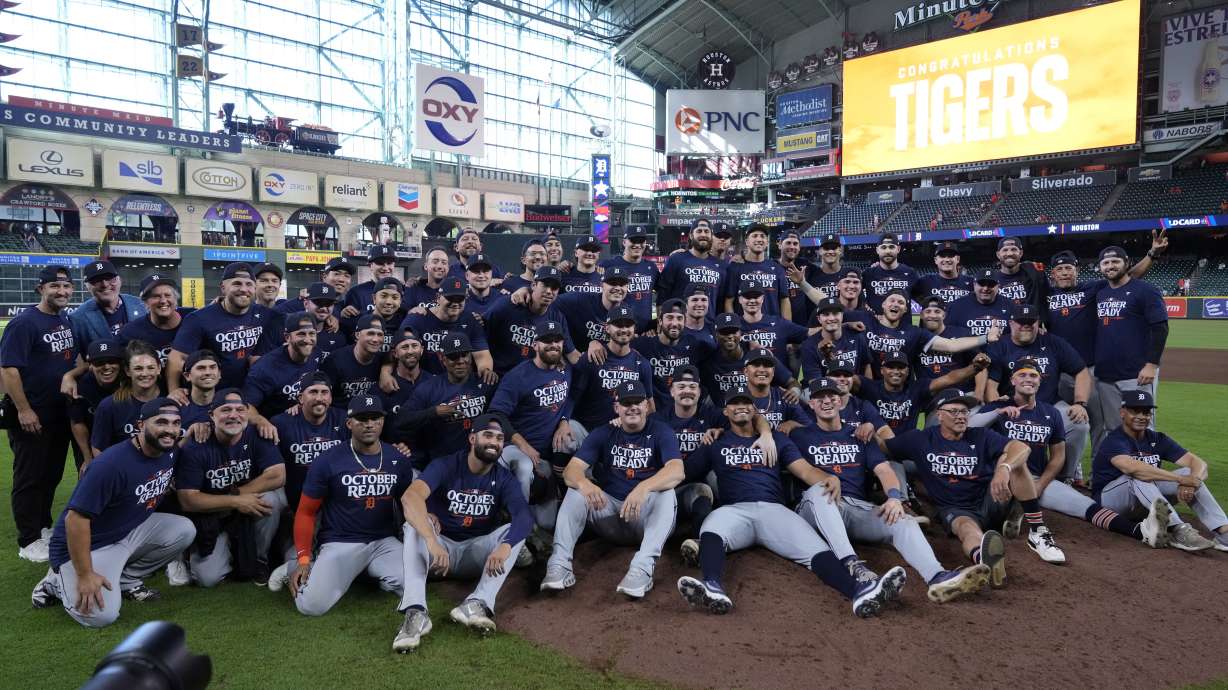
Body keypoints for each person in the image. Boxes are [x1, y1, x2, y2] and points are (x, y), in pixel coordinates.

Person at [676, 386, 907, 618]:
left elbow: (805, 471)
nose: (741, 407)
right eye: (734, 404)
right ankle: (712, 587)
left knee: (816, 549)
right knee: (711, 529)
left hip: (774, 510)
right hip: (735, 511)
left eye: (746, 402)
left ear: (754, 409)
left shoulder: (776, 439)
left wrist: (827, 477)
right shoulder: (716, 442)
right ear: (725, 412)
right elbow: (684, 473)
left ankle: (859, 591)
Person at [791, 377, 990, 603]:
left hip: (854, 507)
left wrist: (894, 498)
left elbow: (885, 470)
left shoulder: (859, 436)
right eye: (819, 398)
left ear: (840, 401)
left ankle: (937, 576)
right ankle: (852, 565)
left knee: (903, 521)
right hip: (814, 509)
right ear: (811, 405)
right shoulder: (799, 435)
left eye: (831, 396)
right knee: (820, 491)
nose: (826, 401)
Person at [29, 399, 196, 627]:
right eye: (161, 422)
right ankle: (55, 582)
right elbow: (75, 520)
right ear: (140, 425)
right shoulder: (111, 464)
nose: (170, 429)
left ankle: (126, 580)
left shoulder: (168, 450)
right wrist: (86, 574)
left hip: (125, 532)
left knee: (184, 530)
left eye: (176, 423)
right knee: (100, 616)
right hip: (87, 545)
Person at [880, 388, 1067, 589]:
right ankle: (986, 562)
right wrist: (866, 427)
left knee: (1012, 459)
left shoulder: (980, 435)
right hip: (956, 509)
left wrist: (1003, 469)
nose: (961, 417)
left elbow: (1022, 447)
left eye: (964, 412)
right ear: (939, 415)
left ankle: (1037, 529)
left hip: (993, 498)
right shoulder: (920, 439)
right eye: (954, 411)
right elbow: (884, 448)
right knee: (966, 530)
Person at [973, 360, 1171, 549]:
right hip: (1000, 479)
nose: (1028, 379)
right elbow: (969, 427)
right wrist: (997, 412)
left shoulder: (1050, 413)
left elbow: (1058, 456)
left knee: (1086, 506)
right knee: (986, 520)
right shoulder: (996, 408)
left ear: (1040, 380)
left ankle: (1141, 532)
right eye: (1021, 375)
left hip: (1034, 481)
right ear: (1013, 381)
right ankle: (1015, 507)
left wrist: (1040, 485)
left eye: (1033, 375)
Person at [394, 414, 532, 651]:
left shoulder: (503, 478)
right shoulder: (446, 465)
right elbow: (410, 497)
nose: (494, 442)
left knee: (512, 533)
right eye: (488, 435)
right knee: (414, 527)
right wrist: (431, 538)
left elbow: (524, 516)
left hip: (474, 552)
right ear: (472, 438)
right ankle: (416, 613)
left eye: (499, 438)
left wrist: (506, 546)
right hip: (439, 554)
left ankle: (477, 603)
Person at [542, 381, 683, 598]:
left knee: (667, 494)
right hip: (610, 515)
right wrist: (585, 484)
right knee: (576, 491)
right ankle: (559, 565)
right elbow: (572, 471)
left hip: (644, 518)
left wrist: (643, 487)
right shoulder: (604, 432)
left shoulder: (661, 431)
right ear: (617, 408)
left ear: (647, 406)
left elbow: (677, 471)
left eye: (637, 402)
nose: (632, 407)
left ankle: (642, 569)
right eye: (626, 403)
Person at [289, 396, 412, 616]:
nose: (369, 424)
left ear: (383, 422)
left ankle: (363, 572)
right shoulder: (328, 460)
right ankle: (295, 567)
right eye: (362, 419)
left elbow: (408, 505)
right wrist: (303, 559)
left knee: (412, 584)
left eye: (375, 418)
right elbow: (306, 512)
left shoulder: (397, 459)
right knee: (311, 606)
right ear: (349, 423)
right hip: (341, 542)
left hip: (383, 542)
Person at [1, 265, 77, 562]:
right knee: (29, 477)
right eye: (54, 287)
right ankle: (28, 538)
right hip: (32, 414)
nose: (61, 292)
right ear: (41, 289)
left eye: (66, 287)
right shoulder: (24, 323)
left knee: (51, 475)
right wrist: (23, 409)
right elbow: (8, 369)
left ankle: (43, 526)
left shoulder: (64, 319)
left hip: (58, 413)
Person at [175, 389, 287, 587]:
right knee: (207, 579)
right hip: (211, 514)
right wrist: (234, 501)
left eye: (239, 410)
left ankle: (260, 558)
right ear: (212, 415)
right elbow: (188, 500)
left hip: (242, 505)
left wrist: (239, 497)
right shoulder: (196, 445)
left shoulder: (258, 433)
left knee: (272, 500)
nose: (233, 415)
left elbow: (278, 475)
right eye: (226, 409)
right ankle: (208, 551)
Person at [1092, 390, 1228, 552]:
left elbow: (1198, 463)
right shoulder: (1114, 440)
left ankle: (1223, 532)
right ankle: (1177, 530)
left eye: (1146, 412)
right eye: (1135, 411)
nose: (1142, 416)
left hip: (1143, 501)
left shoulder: (1157, 439)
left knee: (1189, 472)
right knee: (1138, 476)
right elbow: (1132, 468)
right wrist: (1180, 480)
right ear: (1122, 413)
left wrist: (1192, 481)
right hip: (1110, 503)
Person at [489, 320, 587, 529]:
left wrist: (563, 421)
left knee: (548, 524)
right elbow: (496, 414)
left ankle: (578, 490)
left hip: (548, 451)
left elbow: (571, 397)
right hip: (517, 448)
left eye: (557, 340)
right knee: (524, 468)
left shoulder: (565, 369)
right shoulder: (517, 376)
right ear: (535, 345)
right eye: (546, 341)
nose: (553, 345)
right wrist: (522, 444)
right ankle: (518, 525)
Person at [985, 304, 1093, 481]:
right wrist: (998, 406)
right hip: (1013, 407)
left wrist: (1080, 403)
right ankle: (998, 476)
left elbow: (1081, 371)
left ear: (1038, 323)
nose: (1026, 325)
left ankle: (1064, 477)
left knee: (1079, 424)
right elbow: (991, 385)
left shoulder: (1053, 342)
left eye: (1031, 322)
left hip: (1050, 404)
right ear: (1011, 323)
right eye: (1021, 322)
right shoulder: (1000, 346)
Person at [265, 371, 350, 592]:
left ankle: (289, 568)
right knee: (266, 502)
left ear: (331, 397)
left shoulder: (345, 420)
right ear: (300, 398)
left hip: (328, 501)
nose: (319, 397)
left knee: (304, 551)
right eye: (313, 392)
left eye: (324, 392)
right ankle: (259, 561)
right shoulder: (281, 422)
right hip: (292, 496)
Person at [1092, 246, 1168, 448]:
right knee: (1113, 427)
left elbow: (1160, 328)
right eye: (1105, 263)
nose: (1110, 266)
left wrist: (1152, 364)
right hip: (1105, 376)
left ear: (1127, 264)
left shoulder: (1146, 291)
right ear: (1100, 267)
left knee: (1142, 425)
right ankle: (1120, 475)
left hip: (1137, 374)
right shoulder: (1100, 292)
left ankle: (1147, 474)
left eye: (1115, 261)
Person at [167, 262, 277, 395]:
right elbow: (177, 358)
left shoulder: (264, 314)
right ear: (223, 288)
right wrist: (173, 391)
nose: (244, 289)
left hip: (248, 392)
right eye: (237, 284)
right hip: (211, 394)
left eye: (249, 284)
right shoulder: (199, 318)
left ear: (254, 288)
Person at [392, 332, 495, 466]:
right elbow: (401, 420)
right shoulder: (429, 388)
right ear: (442, 358)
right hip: (444, 462)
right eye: (453, 356)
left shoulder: (486, 382)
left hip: (480, 459)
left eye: (464, 355)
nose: (460, 361)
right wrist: (434, 412)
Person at [864, 290, 995, 378]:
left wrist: (986, 338)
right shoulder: (866, 321)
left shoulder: (914, 332)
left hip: (899, 392)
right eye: (892, 301)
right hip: (870, 387)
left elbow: (951, 345)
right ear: (883, 304)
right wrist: (848, 325)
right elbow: (842, 315)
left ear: (905, 309)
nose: (896, 304)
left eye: (901, 302)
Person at [570, 305, 655, 433]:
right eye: (619, 325)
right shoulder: (591, 358)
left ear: (634, 328)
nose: (624, 329)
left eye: (628, 325)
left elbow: (650, 407)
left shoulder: (643, 364)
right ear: (607, 328)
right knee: (567, 436)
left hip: (623, 436)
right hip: (588, 431)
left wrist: (629, 419)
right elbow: (572, 397)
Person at [858, 350, 989, 433]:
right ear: (882, 370)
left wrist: (975, 367)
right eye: (891, 367)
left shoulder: (917, 388)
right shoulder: (870, 387)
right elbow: (844, 378)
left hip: (907, 450)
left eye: (901, 367)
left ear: (908, 371)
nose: (896, 371)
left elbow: (950, 378)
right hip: (878, 448)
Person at [483, 266, 578, 375]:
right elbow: (481, 330)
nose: (549, 291)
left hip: (532, 379)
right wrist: (486, 368)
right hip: (500, 374)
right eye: (545, 285)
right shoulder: (509, 304)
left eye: (554, 288)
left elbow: (571, 353)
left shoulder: (557, 317)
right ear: (533, 285)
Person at [400, 276, 494, 379]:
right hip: (424, 382)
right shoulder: (417, 318)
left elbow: (481, 354)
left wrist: (485, 372)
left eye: (460, 299)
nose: (455, 303)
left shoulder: (471, 320)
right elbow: (401, 351)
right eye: (450, 298)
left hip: (458, 383)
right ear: (438, 297)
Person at [243, 312, 323, 424]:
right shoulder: (265, 367)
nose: (307, 339)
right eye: (301, 334)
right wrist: (260, 422)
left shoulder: (316, 353)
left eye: (312, 334)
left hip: (305, 419)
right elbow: (246, 405)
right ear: (287, 337)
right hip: (275, 424)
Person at [631, 298, 709, 408]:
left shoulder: (695, 345)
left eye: (679, 318)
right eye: (669, 317)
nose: (674, 323)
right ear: (660, 321)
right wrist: (597, 342)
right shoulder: (643, 344)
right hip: (654, 411)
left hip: (683, 411)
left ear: (685, 322)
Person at [91, 341, 163, 457]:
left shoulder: (170, 399)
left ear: (159, 368)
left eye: (150, 368)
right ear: (128, 371)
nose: (145, 373)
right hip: (123, 471)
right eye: (138, 368)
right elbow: (98, 448)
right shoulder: (109, 406)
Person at [69, 259, 146, 356]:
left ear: (120, 280)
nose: (105, 284)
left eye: (110, 278)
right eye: (96, 280)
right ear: (86, 287)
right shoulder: (78, 318)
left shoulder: (141, 305)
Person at [68, 339, 124, 471]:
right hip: (90, 443)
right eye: (99, 362)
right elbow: (77, 422)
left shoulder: (129, 381)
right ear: (91, 365)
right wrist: (88, 459)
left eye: (112, 361)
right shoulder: (80, 386)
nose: (106, 367)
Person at [554, 265, 634, 352]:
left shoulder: (627, 313)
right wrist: (570, 350)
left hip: (604, 362)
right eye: (613, 283)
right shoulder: (581, 300)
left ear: (627, 288)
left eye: (622, 285)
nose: (618, 288)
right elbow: (552, 304)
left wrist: (596, 342)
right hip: (576, 358)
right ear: (602, 285)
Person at [657, 218, 724, 320]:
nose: (703, 234)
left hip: (708, 329)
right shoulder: (676, 259)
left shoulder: (720, 266)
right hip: (680, 327)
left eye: (706, 231)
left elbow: (720, 302)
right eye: (699, 231)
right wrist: (660, 322)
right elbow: (662, 295)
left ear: (711, 236)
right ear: (691, 236)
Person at [117, 274, 186, 369]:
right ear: (145, 302)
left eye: (167, 295)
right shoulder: (131, 332)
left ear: (175, 298)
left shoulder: (192, 318)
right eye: (156, 296)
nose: (163, 300)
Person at [799, 297, 872, 385]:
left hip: (852, 388)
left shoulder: (857, 336)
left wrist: (869, 389)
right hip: (823, 392)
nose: (831, 318)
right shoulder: (808, 345)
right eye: (826, 314)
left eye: (835, 313)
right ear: (819, 319)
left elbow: (866, 366)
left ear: (842, 315)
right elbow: (815, 383)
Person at [723, 225, 791, 319]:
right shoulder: (735, 267)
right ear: (747, 242)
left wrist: (786, 328)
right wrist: (733, 327)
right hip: (744, 328)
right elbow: (729, 301)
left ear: (767, 242)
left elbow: (784, 300)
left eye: (762, 236)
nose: (759, 239)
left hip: (772, 329)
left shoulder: (777, 269)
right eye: (754, 236)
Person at [319, 314, 385, 410]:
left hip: (369, 415)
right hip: (340, 415)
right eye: (370, 333)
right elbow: (322, 396)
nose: (375, 339)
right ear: (357, 335)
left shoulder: (382, 360)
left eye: (380, 335)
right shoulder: (335, 360)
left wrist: (386, 370)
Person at [736, 280, 810, 364]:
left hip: (779, 375)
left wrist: (827, 324)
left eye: (756, 296)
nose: (752, 300)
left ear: (763, 299)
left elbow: (809, 333)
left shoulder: (779, 323)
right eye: (747, 297)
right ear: (740, 299)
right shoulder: (733, 327)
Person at [600, 225, 659, 325]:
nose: (637, 244)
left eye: (641, 241)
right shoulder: (608, 265)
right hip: (620, 328)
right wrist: (566, 265)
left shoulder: (651, 267)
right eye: (633, 240)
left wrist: (654, 325)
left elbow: (663, 292)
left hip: (646, 330)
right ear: (624, 242)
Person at [378, 330, 434, 416]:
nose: (410, 351)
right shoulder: (385, 385)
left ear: (422, 350)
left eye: (414, 346)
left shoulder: (433, 383)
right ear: (395, 353)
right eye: (405, 347)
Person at [274, 257, 354, 316]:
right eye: (337, 274)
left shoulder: (345, 306)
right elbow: (274, 313)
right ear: (324, 276)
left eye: (347, 276)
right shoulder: (307, 300)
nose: (342, 279)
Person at [861, 233, 918, 314]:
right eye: (883, 247)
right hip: (874, 325)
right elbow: (857, 296)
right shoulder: (868, 274)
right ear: (877, 250)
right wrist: (865, 306)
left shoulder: (910, 273)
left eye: (891, 247)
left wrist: (917, 322)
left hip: (904, 325)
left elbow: (919, 301)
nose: (887, 251)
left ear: (898, 249)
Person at [945, 269, 1012, 337]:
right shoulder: (956, 306)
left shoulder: (1010, 305)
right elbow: (948, 333)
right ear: (974, 285)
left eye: (991, 284)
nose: (985, 288)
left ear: (998, 286)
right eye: (982, 284)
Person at [342, 245, 401, 317]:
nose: (386, 268)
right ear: (370, 266)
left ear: (394, 265)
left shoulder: (402, 290)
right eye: (380, 263)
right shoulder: (356, 293)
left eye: (389, 263)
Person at [777, 229, 818, 329]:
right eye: (788, 243)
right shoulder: (770, 267)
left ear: (799, 247)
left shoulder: (806, 266)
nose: (792, 247)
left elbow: (827, 271)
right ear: (779, 245)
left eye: (795, 244)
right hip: (778, 325)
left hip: (803, 326)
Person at [402, 248, 451, 312]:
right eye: (435, 262)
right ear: (426, 266)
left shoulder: (453, 291)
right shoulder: (413, 289)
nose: (440, 266)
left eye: (444, 263)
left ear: (448, 268)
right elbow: (404, 315)